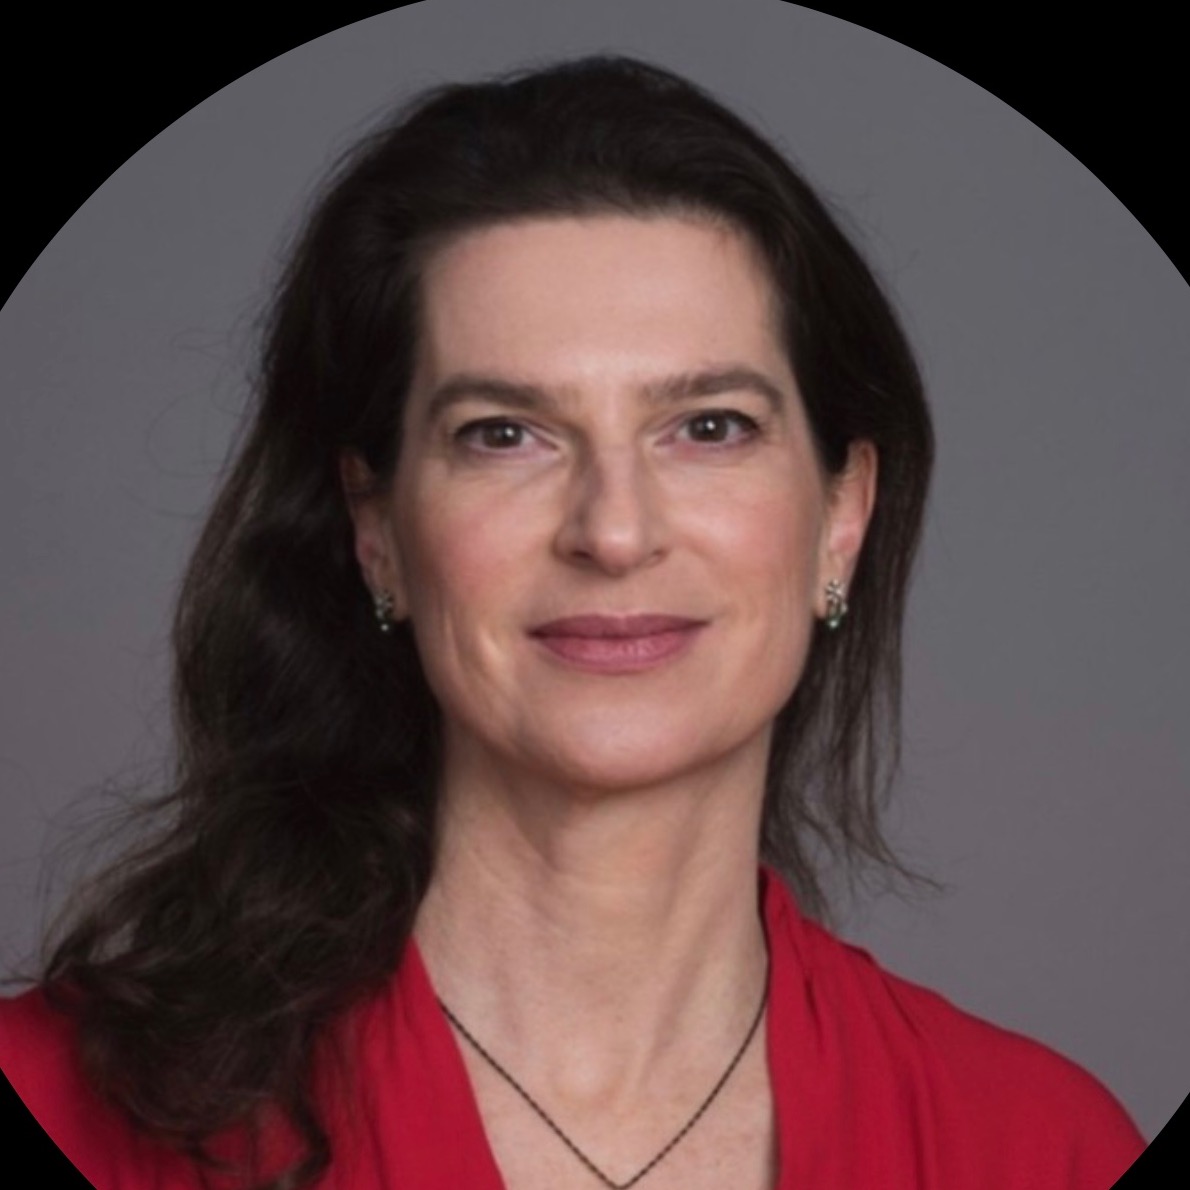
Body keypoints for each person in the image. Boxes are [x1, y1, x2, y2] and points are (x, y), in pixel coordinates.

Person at [0, 54, 1146, 1190]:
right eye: (505, 434)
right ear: (377, 526)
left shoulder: (1042, 1151)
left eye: (708, 426)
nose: (613, 530)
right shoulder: (52, 1102)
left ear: (840, 515)